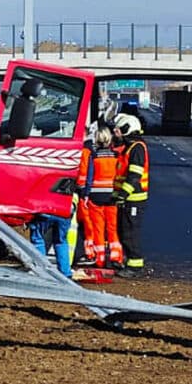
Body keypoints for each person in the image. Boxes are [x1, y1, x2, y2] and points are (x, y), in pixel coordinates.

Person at [76, 124, 122, 269]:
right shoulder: (116, 156)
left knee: (98, 228)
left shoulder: (94, 156)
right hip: (112, 196)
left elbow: (89, 177)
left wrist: (86, 195)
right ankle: (116, 257)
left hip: (96, 196)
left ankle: (100, 258)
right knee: (112, 228)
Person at [112, 112, 150, 273]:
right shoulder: (128, 147)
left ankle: (135, 266)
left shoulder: (137, 148)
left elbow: (134, 175)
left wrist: (123, 194)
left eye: (119, 129)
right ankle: (128, 261)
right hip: (127, 198)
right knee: (123, 231)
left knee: (130, 233)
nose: (116, 132)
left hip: (134, 199)